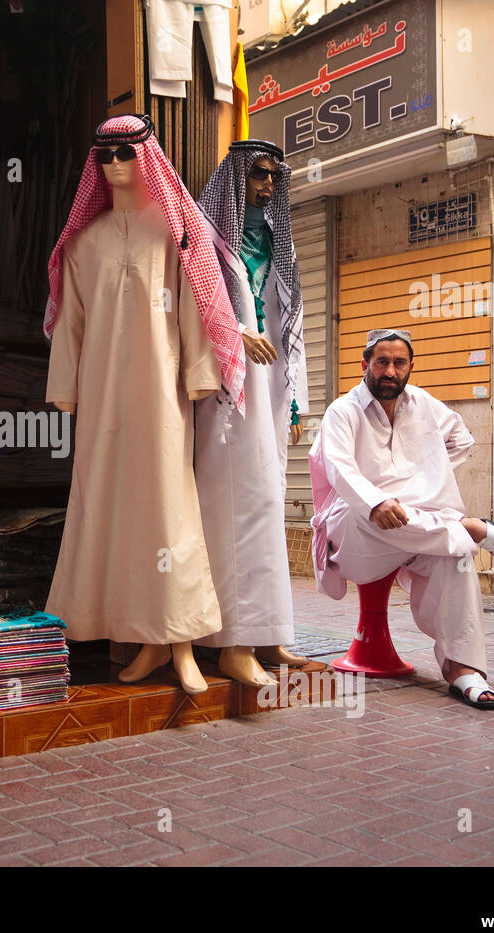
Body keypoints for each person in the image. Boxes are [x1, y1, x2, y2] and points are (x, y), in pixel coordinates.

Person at [43, 114, 247, 696]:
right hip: (103, 396)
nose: (113, 165)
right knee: (109, 507)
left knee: (166, 507)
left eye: (125, 153)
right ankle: (147, 639)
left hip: (161, 394)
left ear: (145, 157)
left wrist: (199, 375)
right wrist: (66, 391)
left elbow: (192, 309)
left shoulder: (175, 231)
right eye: (103, 155)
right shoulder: (83, 243)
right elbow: (71, 326)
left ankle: (180, 641)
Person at [308, 329, 494, 709]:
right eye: (381, 362)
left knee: (456, 558)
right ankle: (472, 529)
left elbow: (461, 438)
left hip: (414, 531)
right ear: (365, 365)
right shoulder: (342, 411)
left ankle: (464, 670)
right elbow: (340, 469)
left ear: (411, 367)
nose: (389, 371)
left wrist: (424, 481)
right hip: (353, 535)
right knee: (367, 513)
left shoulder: (424, 404)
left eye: (398, 363)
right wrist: (376, 501)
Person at [192, 139, 316, 686]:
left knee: (266, 504)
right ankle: (230, 643)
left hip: (268, 390)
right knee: (233, 508)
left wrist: (295, 401)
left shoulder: (276, 242)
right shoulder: (204, 237)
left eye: (274, 176)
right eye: (259, 175)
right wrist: (233, 334)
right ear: (236, 178)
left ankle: (268, 634)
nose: (268, 185)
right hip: (224, 391)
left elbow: (293, 328)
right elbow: (186, 310)